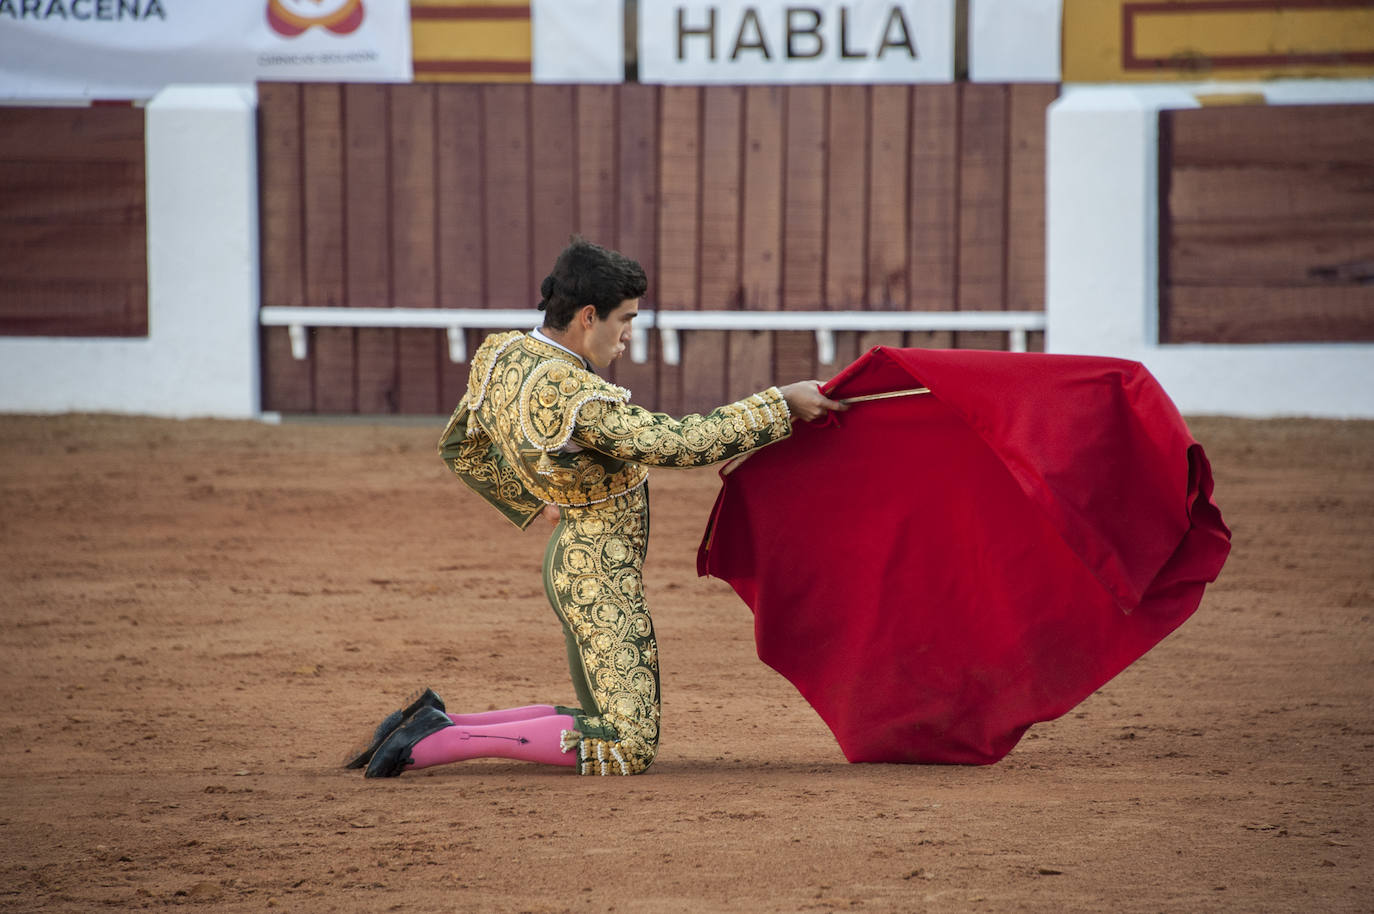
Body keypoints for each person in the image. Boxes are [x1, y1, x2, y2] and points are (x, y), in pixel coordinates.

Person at [347, 238, 845, 777]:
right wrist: (780, 404)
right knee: (627, 744)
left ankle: (437, 721)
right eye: (625, 320)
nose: (629, 336)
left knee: (601, 720)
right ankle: (432, 743)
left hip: (573, 560)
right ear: (589, 316)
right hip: (597, 573)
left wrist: (541, 500)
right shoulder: (573, 391)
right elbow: (677, 443)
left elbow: (458, 445)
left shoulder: (507, 356)